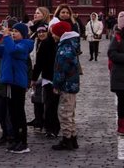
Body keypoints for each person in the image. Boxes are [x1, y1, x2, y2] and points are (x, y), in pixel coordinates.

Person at [0, 22, 34, 154]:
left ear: (23, 34)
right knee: (12, 113)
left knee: (19, 112)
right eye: (12, 31)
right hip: (9, 82)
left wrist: (7, 36)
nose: (13, 33)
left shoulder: (25, 44)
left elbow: (14, 51)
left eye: (16, 32)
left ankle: (23, 141)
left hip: (17, 83)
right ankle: (15, 139)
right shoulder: (10, 44)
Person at [51, 21, 80, 151]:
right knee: (70, 112)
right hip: (71, 85)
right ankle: (73, 138)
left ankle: (66, 139)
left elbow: (61, 70)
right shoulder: (71, 45)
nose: (53, 36)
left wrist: (56, 84)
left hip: (66, 86)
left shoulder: (64, 48)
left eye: (54, 34)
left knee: (64, 113)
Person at [31, 21, 60, 139]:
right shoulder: (45, 42)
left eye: (43, 31)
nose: (41, 34)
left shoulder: (45, 44)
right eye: (39, 32)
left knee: (50, 105)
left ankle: (51, 129)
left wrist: (33, 79)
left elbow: (39, 64)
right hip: (50, 78)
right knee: (52, 105)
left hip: (50, 78)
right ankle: (53, 128)